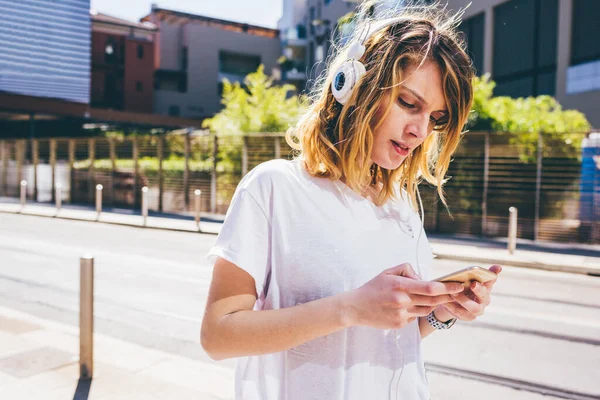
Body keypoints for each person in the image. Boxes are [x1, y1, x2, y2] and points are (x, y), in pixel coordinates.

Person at [201, 2, 502, 399]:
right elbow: (218, 335)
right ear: (354, 85)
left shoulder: (403, 206)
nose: (419, 130)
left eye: (436, 118)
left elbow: (390, 334)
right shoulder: (274, 188)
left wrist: (442, 311)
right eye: (409, 103)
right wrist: (350, 308)